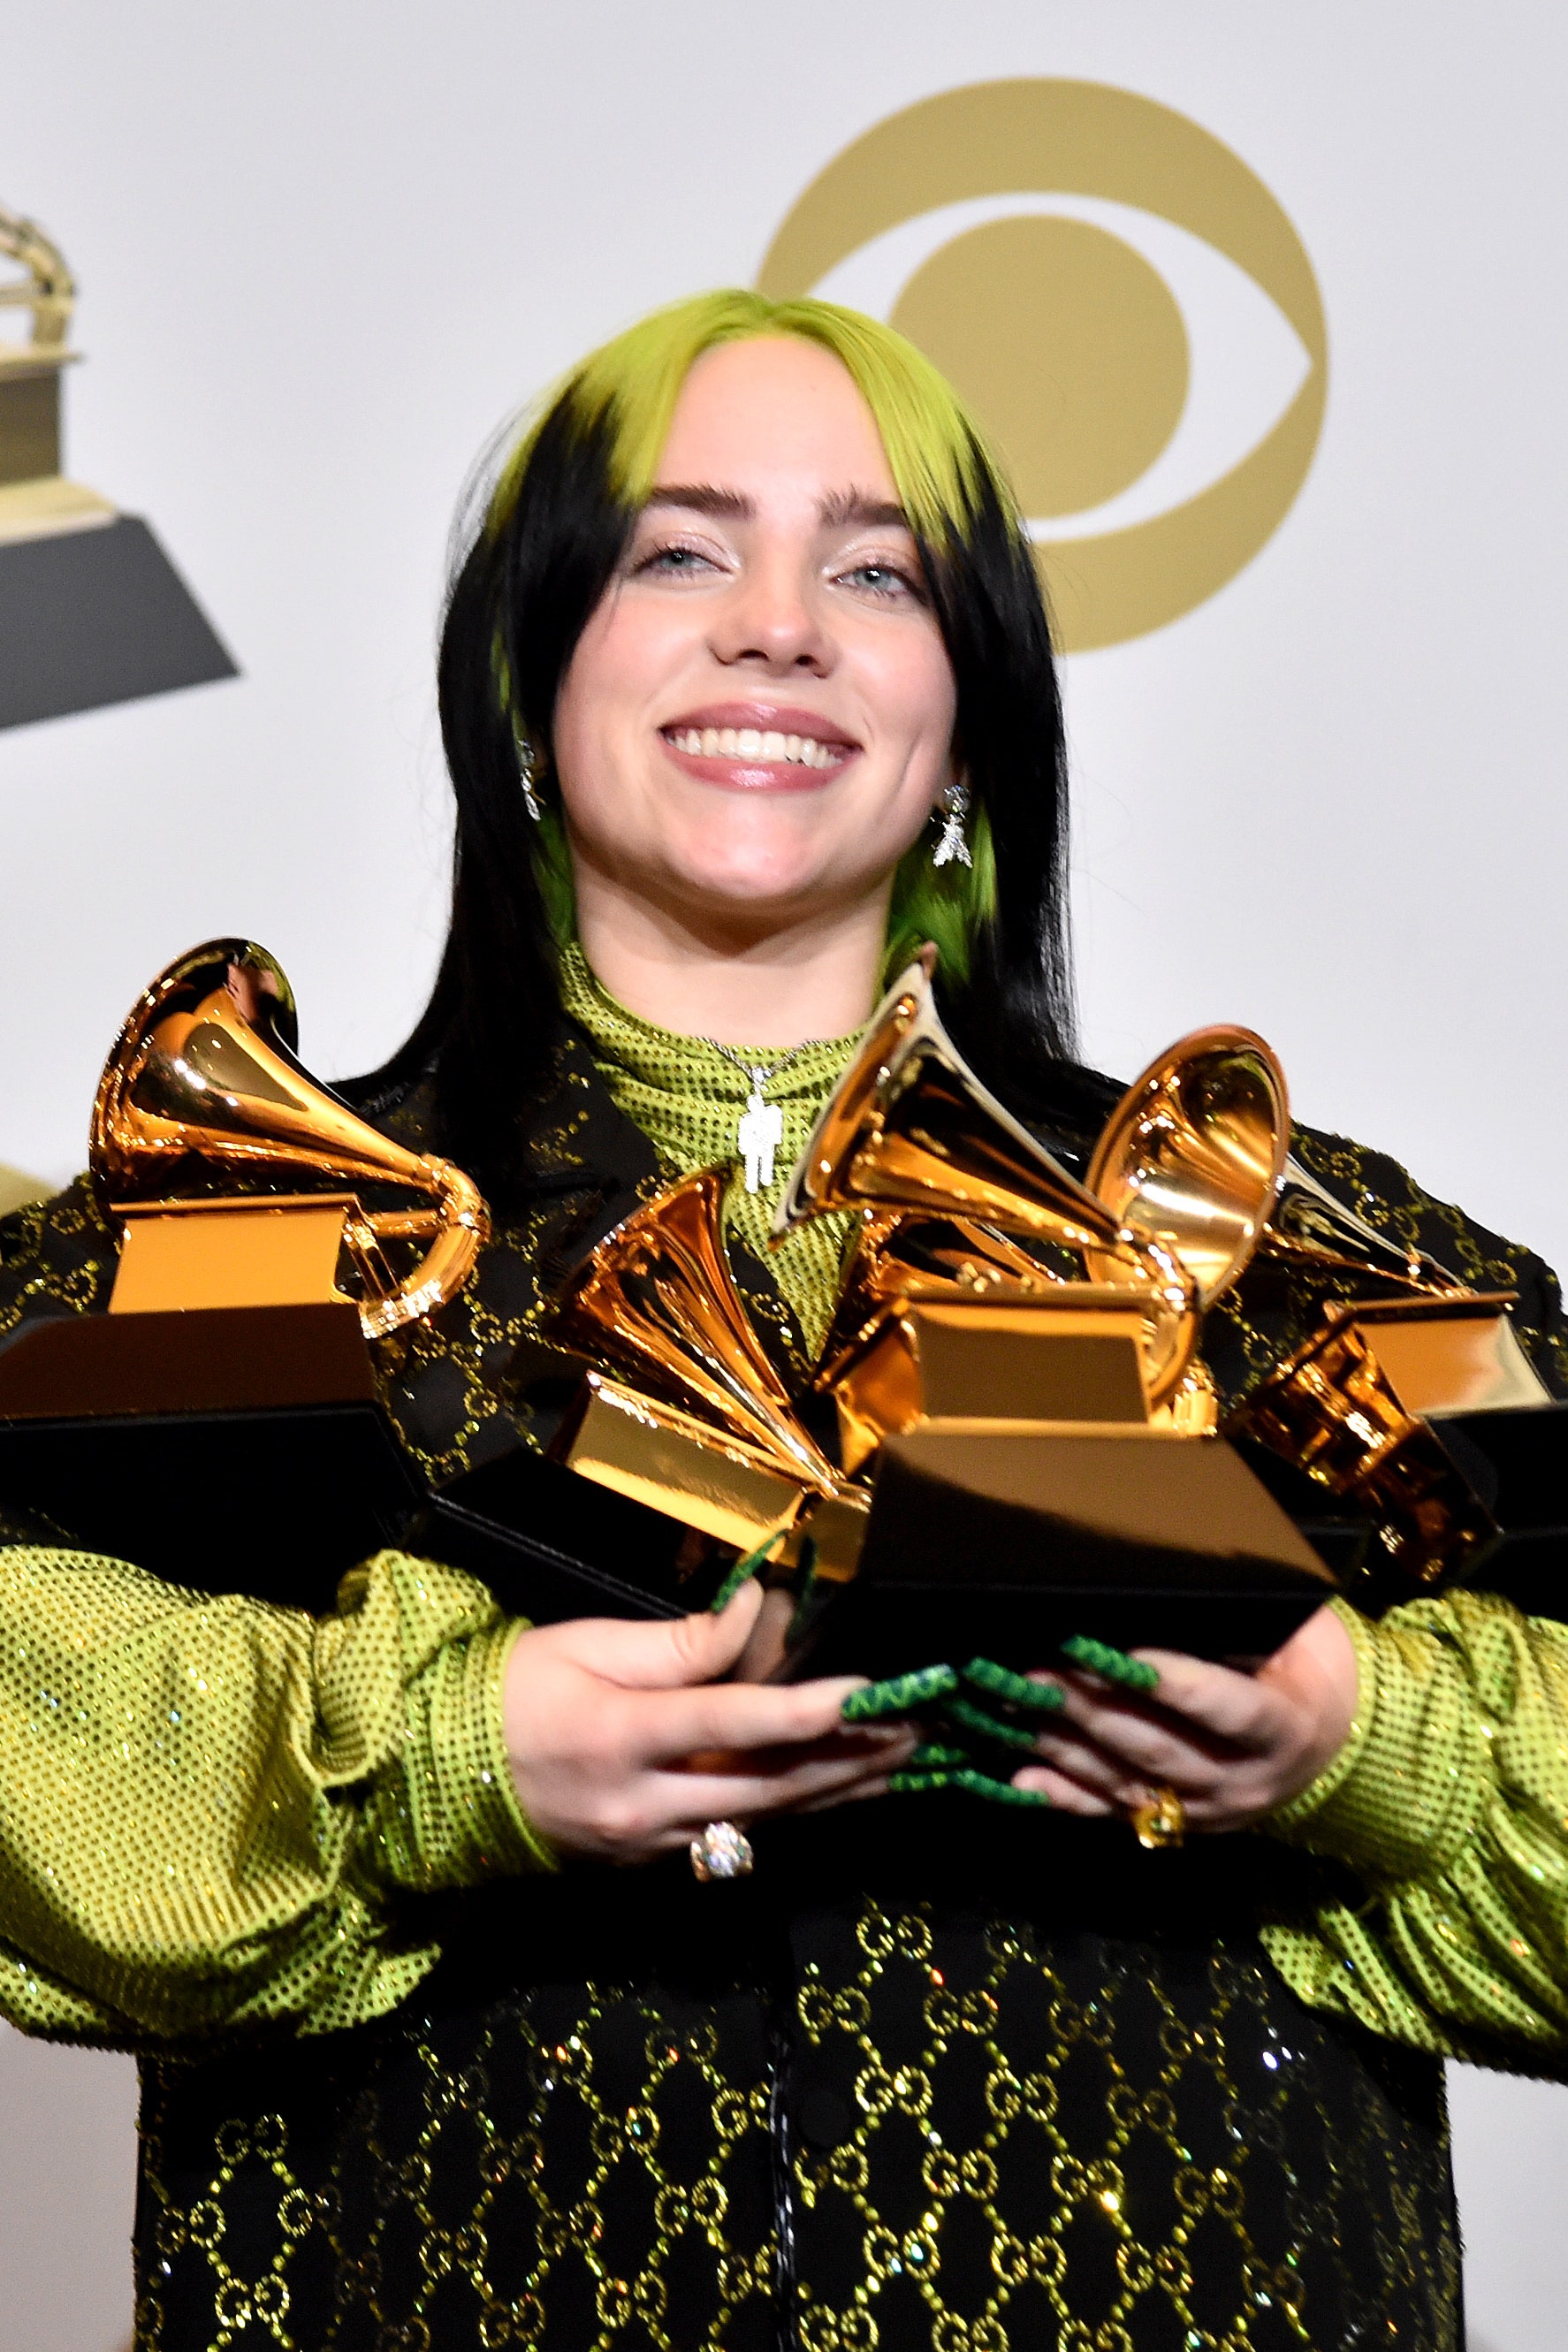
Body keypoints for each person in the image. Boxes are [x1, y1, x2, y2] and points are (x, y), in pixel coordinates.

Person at [2, 290, 1566, 2352]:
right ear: (527, 682)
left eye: (874, 568)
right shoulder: (233, 1235)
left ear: (967, 726)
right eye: (677, 548)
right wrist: (450, 1759)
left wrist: (1376, 1746)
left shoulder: (1327, 1260)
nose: (776, 622)